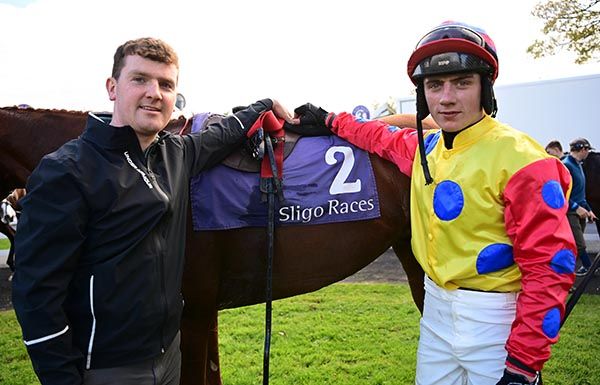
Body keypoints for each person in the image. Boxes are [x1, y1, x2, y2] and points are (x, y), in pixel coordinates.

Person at [288, 21, 576, 385]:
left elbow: (550, 267)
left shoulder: (525, 161)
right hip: (435, 318)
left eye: (462, 82)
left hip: (495, 324)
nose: (447, 98)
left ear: (485, 88)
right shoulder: (426, 149)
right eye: (435, 85)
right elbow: (377, 135)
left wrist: (523, 362)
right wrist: (329, 119)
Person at [12, 37, 292, 385]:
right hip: (105, 369)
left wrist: (263, 106)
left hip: (169, 357)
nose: (154, 93)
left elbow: (219, 137)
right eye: (140, 79)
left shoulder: (175, 154)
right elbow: (35, 293)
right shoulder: (66, 172)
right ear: (112, 87)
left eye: (166, 84)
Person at [563, 138, 597, 276]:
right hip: (570, 212)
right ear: (583, 149)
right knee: (579, 244)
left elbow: (579, 192)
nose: (588, 153)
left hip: (581, 211)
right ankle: (589, 268)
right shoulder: (566, 165)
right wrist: (576, 207)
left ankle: (569, 273)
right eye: (587, 150)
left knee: (575, 245)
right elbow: (561, 192)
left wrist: (588, 209)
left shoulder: (579, 165)